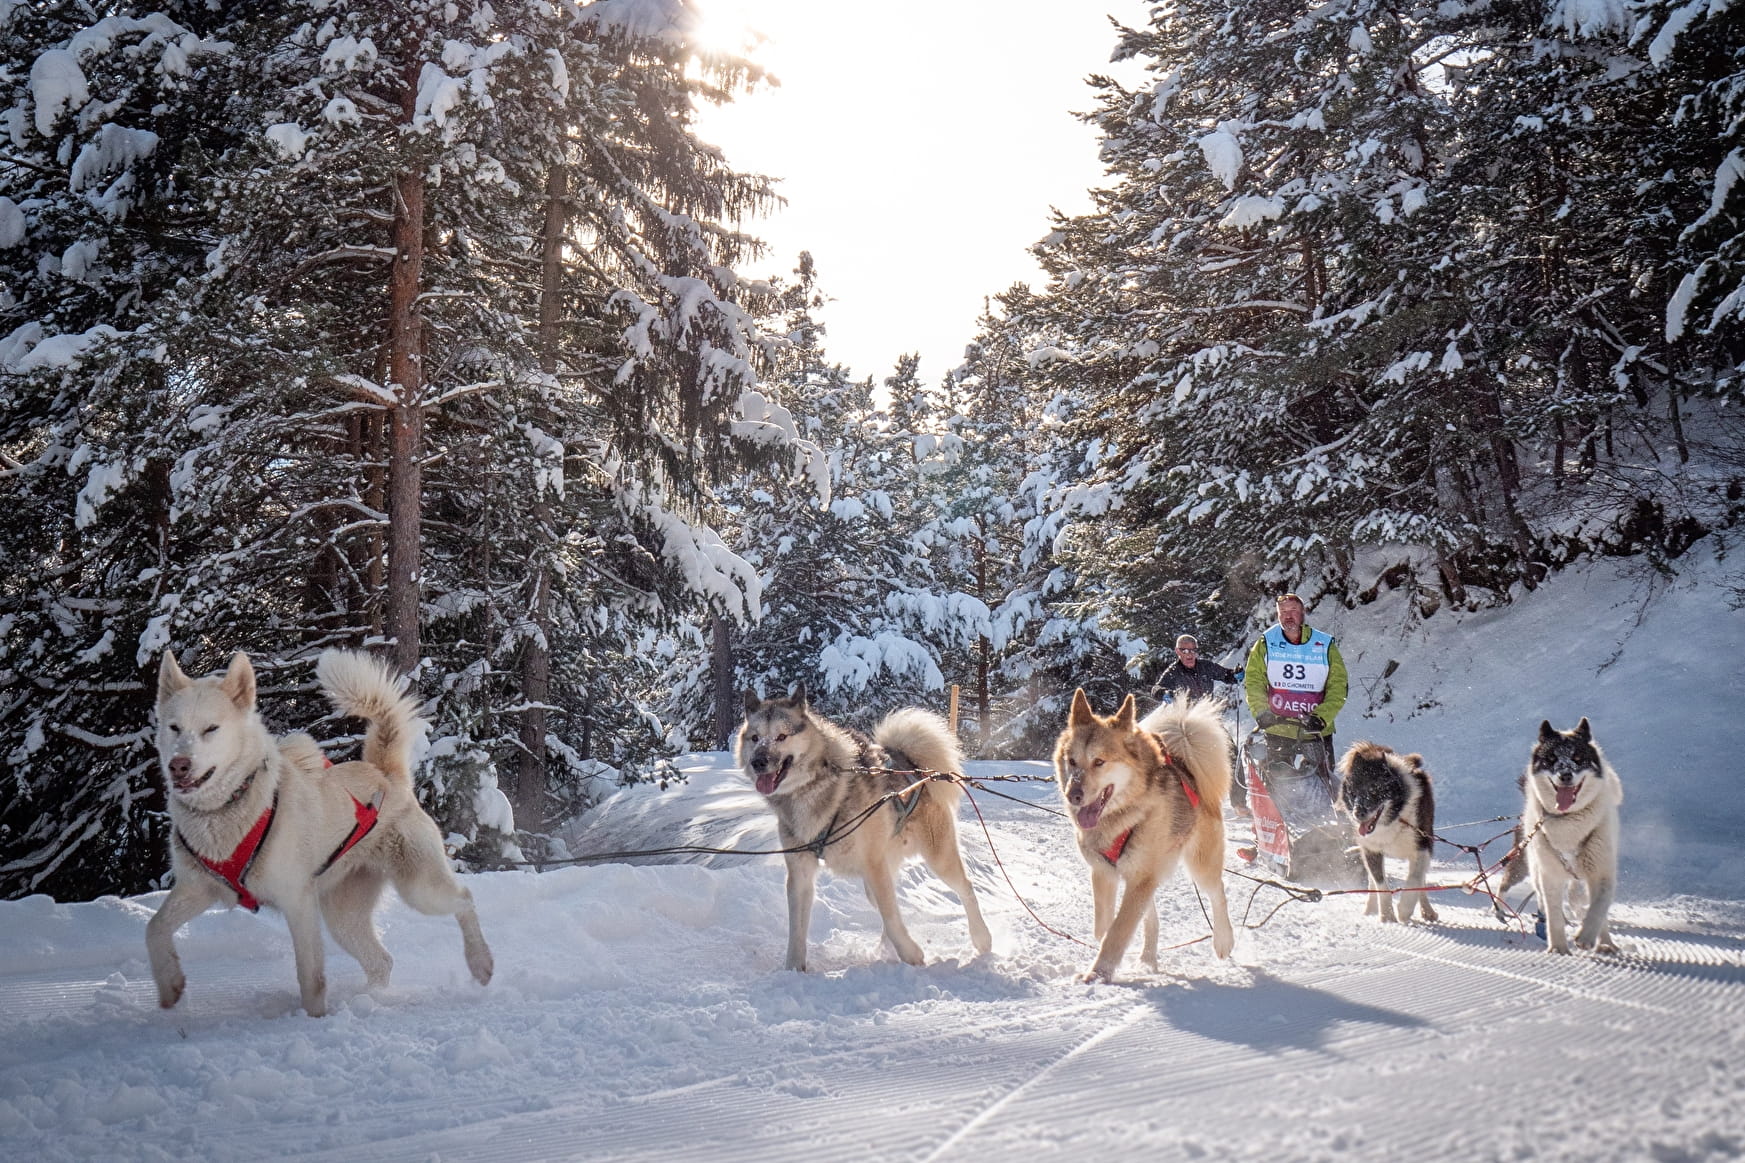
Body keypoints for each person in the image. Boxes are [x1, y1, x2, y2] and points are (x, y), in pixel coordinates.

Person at [1243, 592, 1348, 779]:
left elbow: (1338, 686)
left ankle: (1325, 807)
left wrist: (1322, 717)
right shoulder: (1266, 642)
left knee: (1324, 784)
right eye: (1282, 611)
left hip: (1315, 728)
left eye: (1293, 610)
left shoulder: (1324, 644)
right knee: (1277, 784)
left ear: (1303, 613)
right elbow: (1254, 681)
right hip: (1278, 726)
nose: (1288, 615)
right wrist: (1261, 711)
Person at [1153, 634, 1242, 704]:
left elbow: (1226, 675)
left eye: (1193, 650)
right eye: (1185, 650)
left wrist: (1235, 674)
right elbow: (1156, 689)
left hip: (1209, 715)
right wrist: (1164, 693)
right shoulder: (1173, 672)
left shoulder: (1206, 666)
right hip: (1187, 720)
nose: (1190, 654)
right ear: (1177, 651)